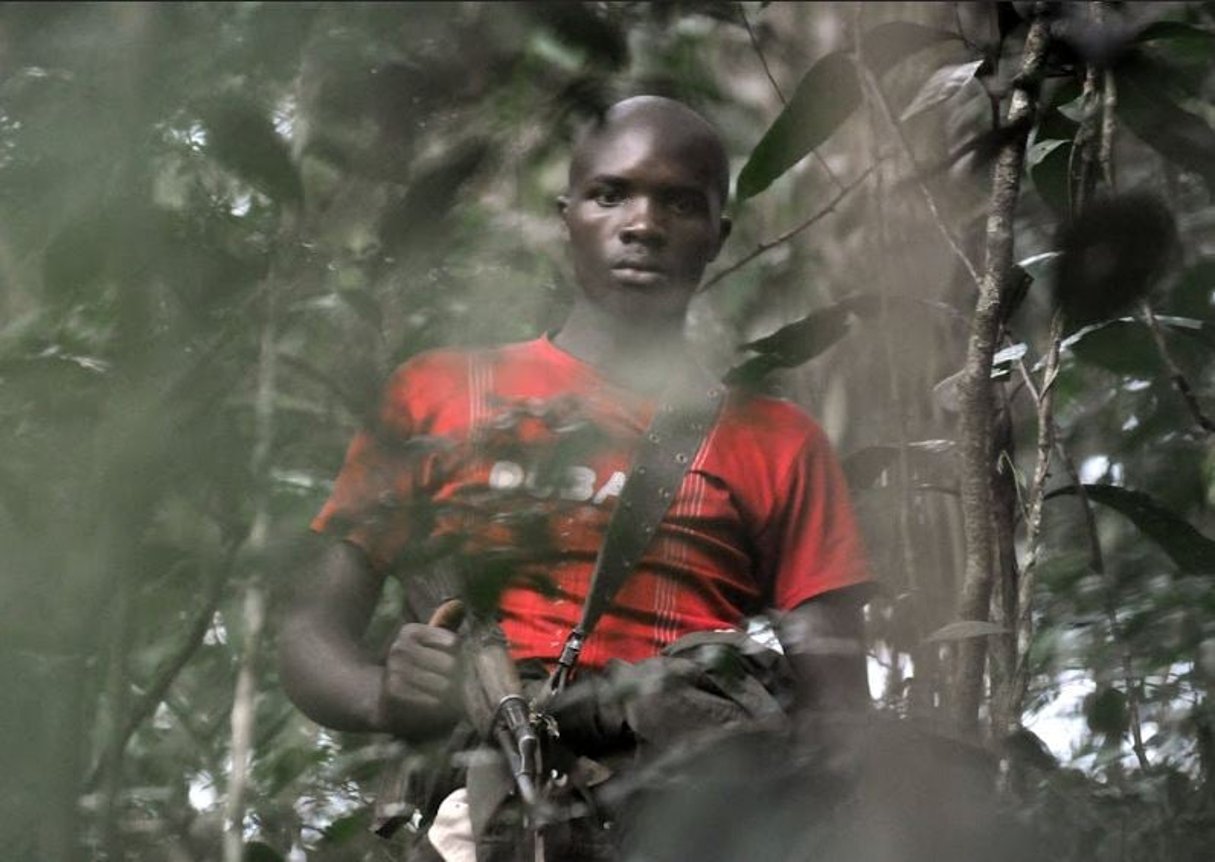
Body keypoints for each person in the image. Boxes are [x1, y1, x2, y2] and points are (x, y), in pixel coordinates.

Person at [279, 95, 873, 860]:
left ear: (716, 236)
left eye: (680, 203)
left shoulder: (780, 442)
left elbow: (840, 720)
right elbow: (309, 636)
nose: (643, 224)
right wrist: (386, 696)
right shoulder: (434, 395)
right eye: (610, 194)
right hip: (486, 807)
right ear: (567, 214)